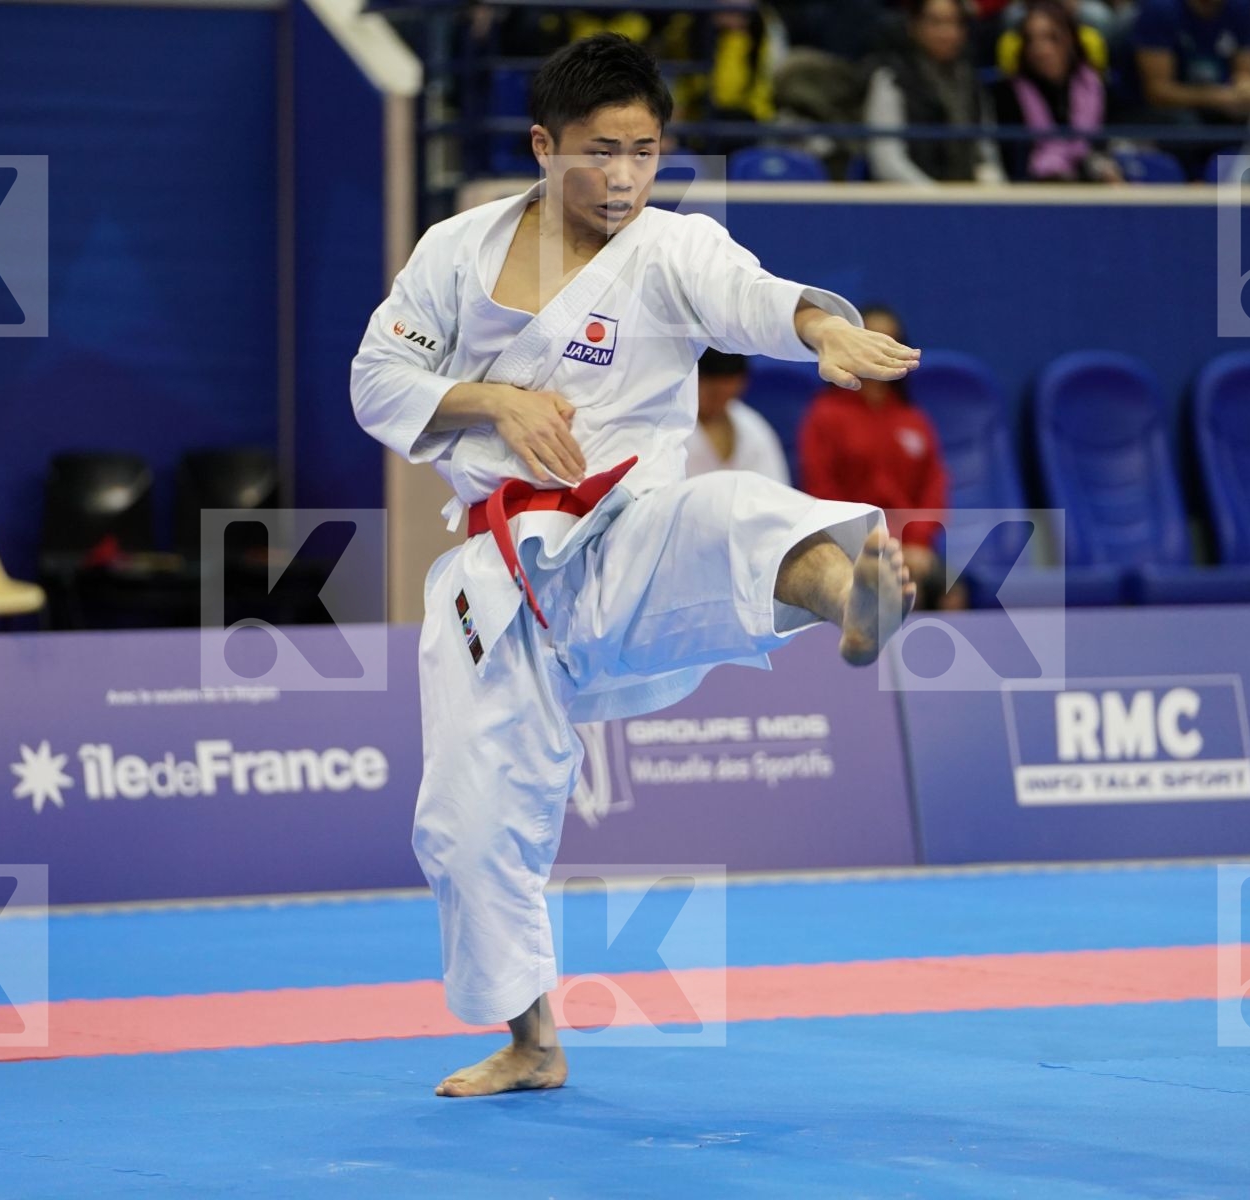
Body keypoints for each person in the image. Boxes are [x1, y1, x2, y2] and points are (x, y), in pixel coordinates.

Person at [350, 33, 919, 1098]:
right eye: (598, 152)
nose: (621, 177)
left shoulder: (671, 249)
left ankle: (854, 601)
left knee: (734, 513)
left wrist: (818, 329)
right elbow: (377, 383)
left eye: (645, 152)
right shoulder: (456, 251)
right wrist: (498, 401)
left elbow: (754, 296)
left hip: (629, 538)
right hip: (496, 574)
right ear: (542, 145)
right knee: (468, 823)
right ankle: (533, 1043)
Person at [798, 306, 963, 611]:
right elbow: (822, 491)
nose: (879, 347)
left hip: (912, 549)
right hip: (849, 547)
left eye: (889, 340)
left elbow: (933, 486)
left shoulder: (913, 419)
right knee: (895, 589)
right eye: (870, 338)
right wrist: (873, 547)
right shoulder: (825, 415)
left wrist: (916, 542)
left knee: (951, 592)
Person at [863, 0, 1006, 184]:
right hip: (913, 201)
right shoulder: (891, 78)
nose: (947, 33)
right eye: (936, 23)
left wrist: (994, 187)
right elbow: (887, 160)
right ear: (914, 26)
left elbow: (986, 150)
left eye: (955, 23)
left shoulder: (970, 80)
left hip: (965, 196)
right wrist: (935, 197)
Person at [993, 0, 1125, 181]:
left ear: (1070, 38)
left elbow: (1109, 146)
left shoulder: (1095, 86)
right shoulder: (1008, 93)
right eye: (1031, 40)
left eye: (1052, 38)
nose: (1041, 50)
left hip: (1094, 184)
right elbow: (1013, 163)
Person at [1133, 0, 1250, 123]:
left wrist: (1247, 90)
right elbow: (1158, 92)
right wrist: (1218, 98)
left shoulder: (1241, 7)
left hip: (1223, 103)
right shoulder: (1160, 9)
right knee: (1185, 124)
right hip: (1165, 111)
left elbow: (1246, 74)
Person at [684, 349, 791, 484]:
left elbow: (775, 489)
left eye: (727, 397)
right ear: (692, 380)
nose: (718, 404)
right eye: (713, 395)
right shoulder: (669, 427)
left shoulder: (753, 428)